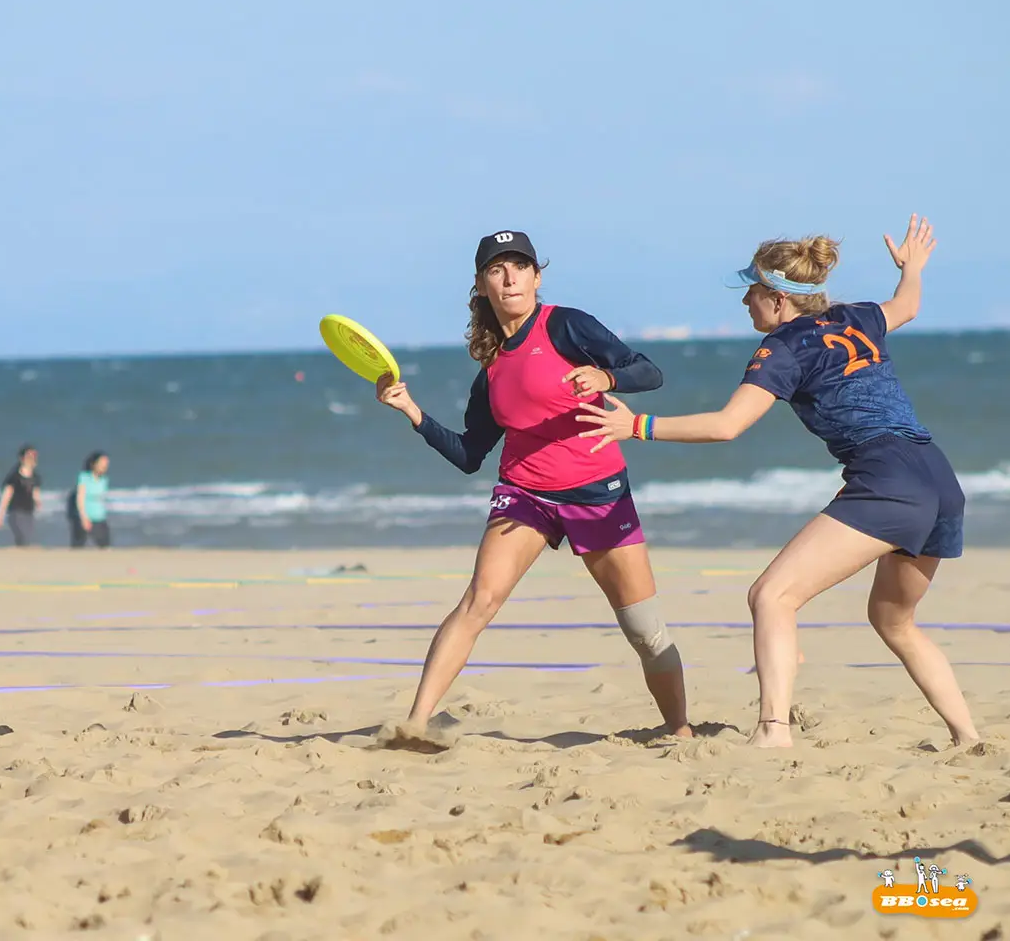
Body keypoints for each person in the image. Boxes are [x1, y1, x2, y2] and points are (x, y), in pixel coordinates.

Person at [576, 215, 979, 750]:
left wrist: (637, 426)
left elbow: (727, 425)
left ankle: (773, 731)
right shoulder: (855, 317)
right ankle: (968, 737)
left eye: (752, 292)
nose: (746, 302)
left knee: (771, 596)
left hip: (889, 480)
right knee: (893, 619)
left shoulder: (784, 347)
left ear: (778, 298)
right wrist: (912, 269)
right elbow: (907, 306)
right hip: (940, 480)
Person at [375, 230, 692, 747]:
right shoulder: (491, 369)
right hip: (526, 494)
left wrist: (606, 379)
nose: (510, 278)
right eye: (497, 270)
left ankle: (679, 730)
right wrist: (412, 412)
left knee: (643, 627)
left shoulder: (566, 325)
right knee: (478, 601)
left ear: (537, 277)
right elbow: (469, 456)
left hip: (598, 491)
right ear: (481, 285)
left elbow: (648, 372)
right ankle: (416, 723)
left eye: (520, 266)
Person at [0, 444, 40, 546]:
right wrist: (0, 517)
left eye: (34, 456)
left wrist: (38, 503)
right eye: (29, 456)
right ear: (22, 458)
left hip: (29, 512)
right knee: (22, 536)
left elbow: (36, 493)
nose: (32, 459)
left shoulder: (36, 477)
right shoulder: (14, 477)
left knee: (27, 538)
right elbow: (6, 497)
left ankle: (20, 554)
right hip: (15, 512)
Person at [68, 451, 111, 548]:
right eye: (102, 463)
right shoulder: (84, 478)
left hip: (100, 518)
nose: (104, 466)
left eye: (106, 464)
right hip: (85, 517)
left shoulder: (104, 480)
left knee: (106, 546)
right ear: (94, 464)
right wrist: (83, 517)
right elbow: (80, 498)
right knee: (78, 547)